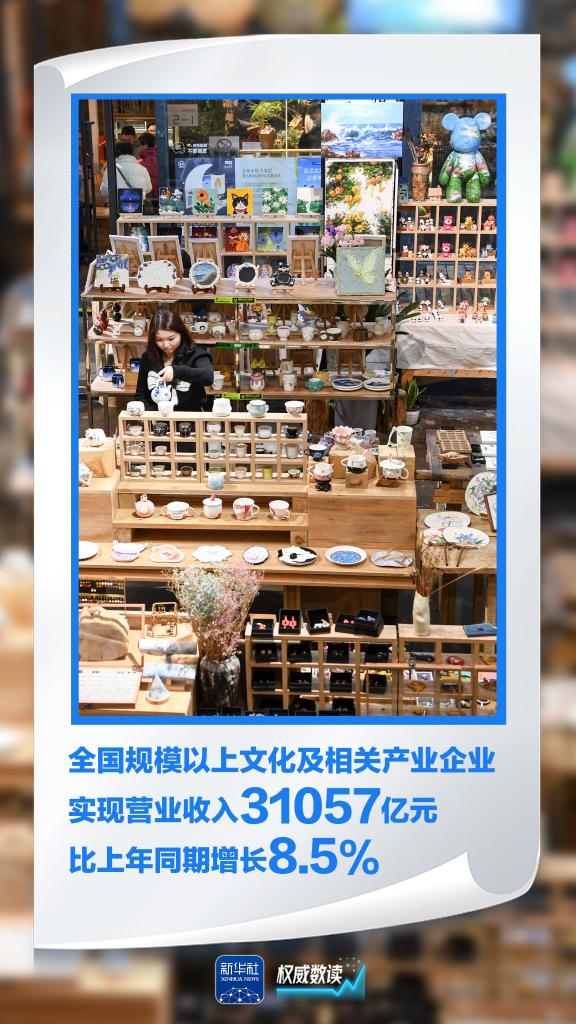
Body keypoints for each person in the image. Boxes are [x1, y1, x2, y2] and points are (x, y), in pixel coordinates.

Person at [135, 308, 214, 412]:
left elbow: (208, 377)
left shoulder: (197, 354)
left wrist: (176, 371)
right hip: (156, 418)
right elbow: (141, 394)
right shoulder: (148, 357)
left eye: (171, 339)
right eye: (159, 340)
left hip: (190, 417)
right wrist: (151, 416)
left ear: (182, 334)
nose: (166, 345)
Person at [137, 131, 158, 197]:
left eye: (139, 145)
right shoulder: (161, 158)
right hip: (162, 194)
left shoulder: (140, 163)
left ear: (145, 145)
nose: (138, 148)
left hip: (148, 196)